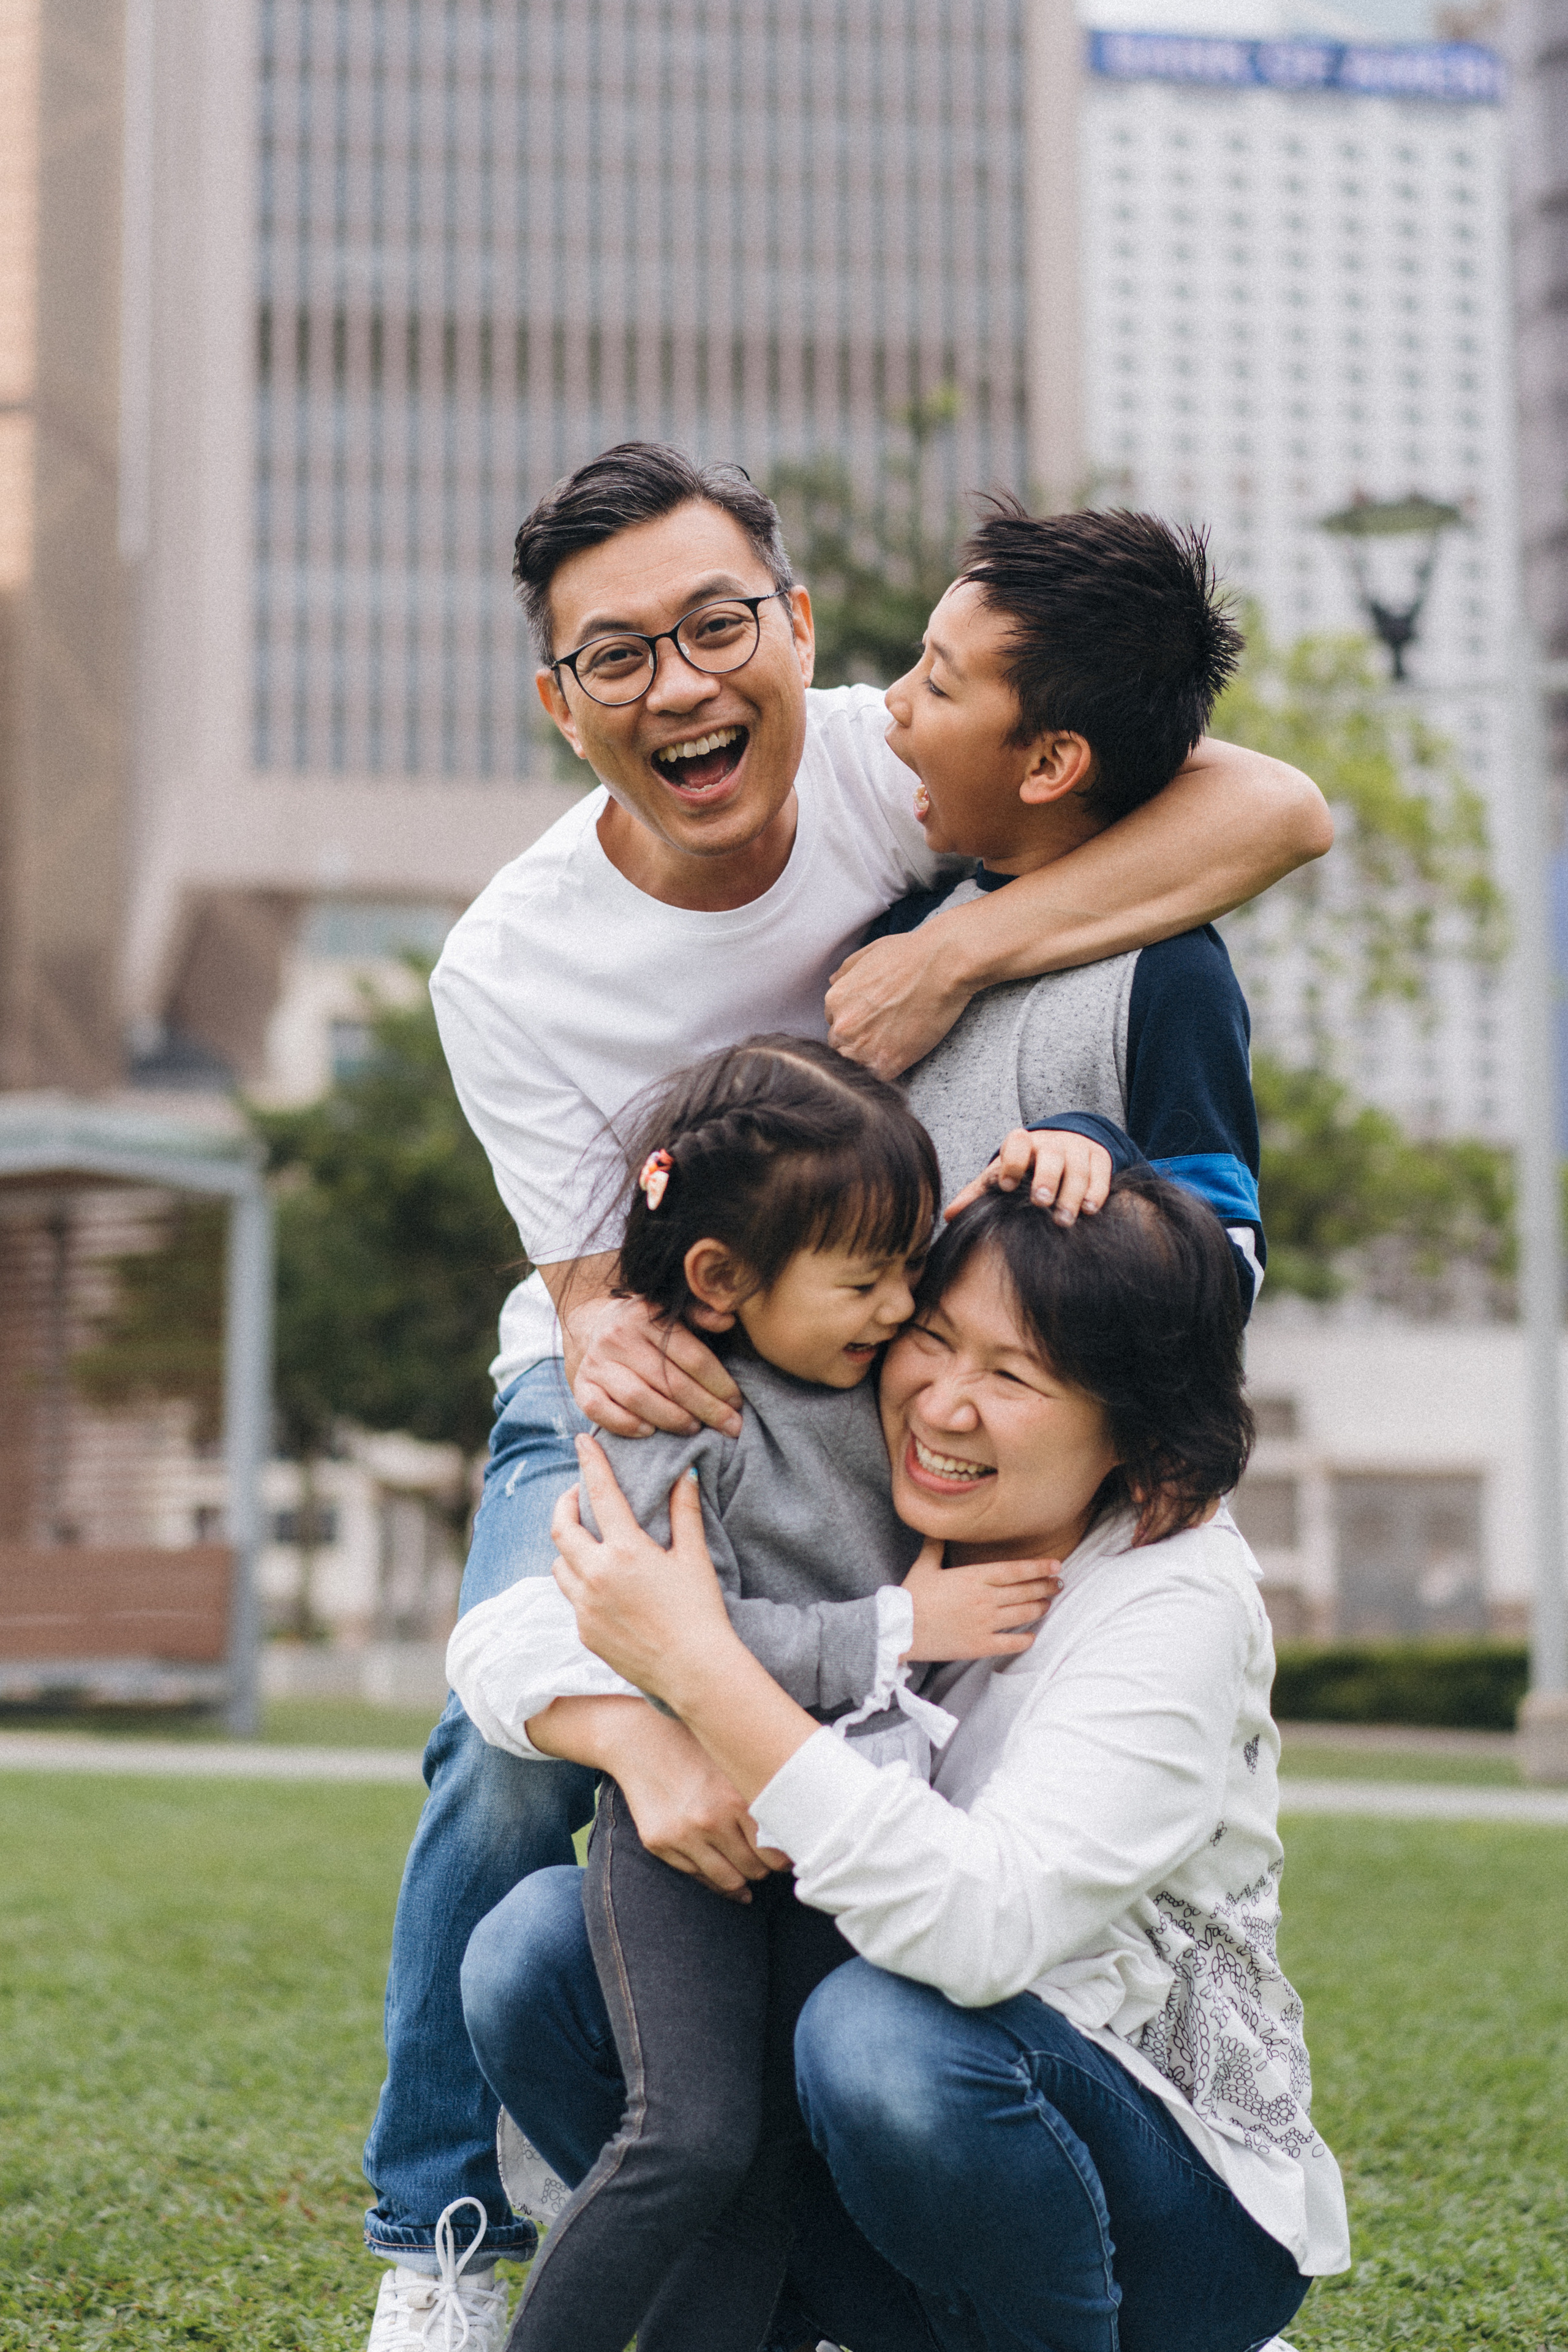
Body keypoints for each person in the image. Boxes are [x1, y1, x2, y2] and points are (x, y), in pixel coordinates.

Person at [361, 438, 1332, 2344]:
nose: (682, 685)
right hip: (664, 1341)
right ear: (561, 702)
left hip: (879, 1347)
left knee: (911, 1819)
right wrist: (655, 1714)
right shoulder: (507, 966)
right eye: (618, 655)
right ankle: (435, 2231)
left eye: (719, 627)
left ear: (797, 631)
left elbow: (1279, 807)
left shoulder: (893, 772)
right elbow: (594, 1295)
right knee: (513, 1751)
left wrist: (958, 963)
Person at [464, 1174, 1351, 2352]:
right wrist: (641, 1741)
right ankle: (786, 2322)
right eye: (931, 1336)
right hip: (886, 2166)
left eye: (1014, 1377)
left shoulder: (1172, 1591)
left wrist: (706, 1672)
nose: (944, 1405)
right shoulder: (893, 1496)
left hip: (1170, 2216)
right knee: (535, 1950)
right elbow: (509, 1635)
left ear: (1136, 1427)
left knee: (881, 2039)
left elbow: (986, 1932)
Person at [453, 1036, 1063, 2352]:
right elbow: (674, 1636)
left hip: (845, 1820)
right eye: (865, 1279)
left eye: (910, 1267)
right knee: (688, 2135)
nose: (899, 1308)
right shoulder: (671, 1412)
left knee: (767, 2168)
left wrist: (1067, 1156)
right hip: (697, 1832)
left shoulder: (879, 1376)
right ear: (723, 1280)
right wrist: (900, 1628)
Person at [884, 498, 1265, 1309]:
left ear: (1050, 764)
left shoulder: (1173, 978)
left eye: (939, 685)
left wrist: (1104, 1165)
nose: (895, 699)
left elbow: (1227, 1271)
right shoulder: (897, 936)